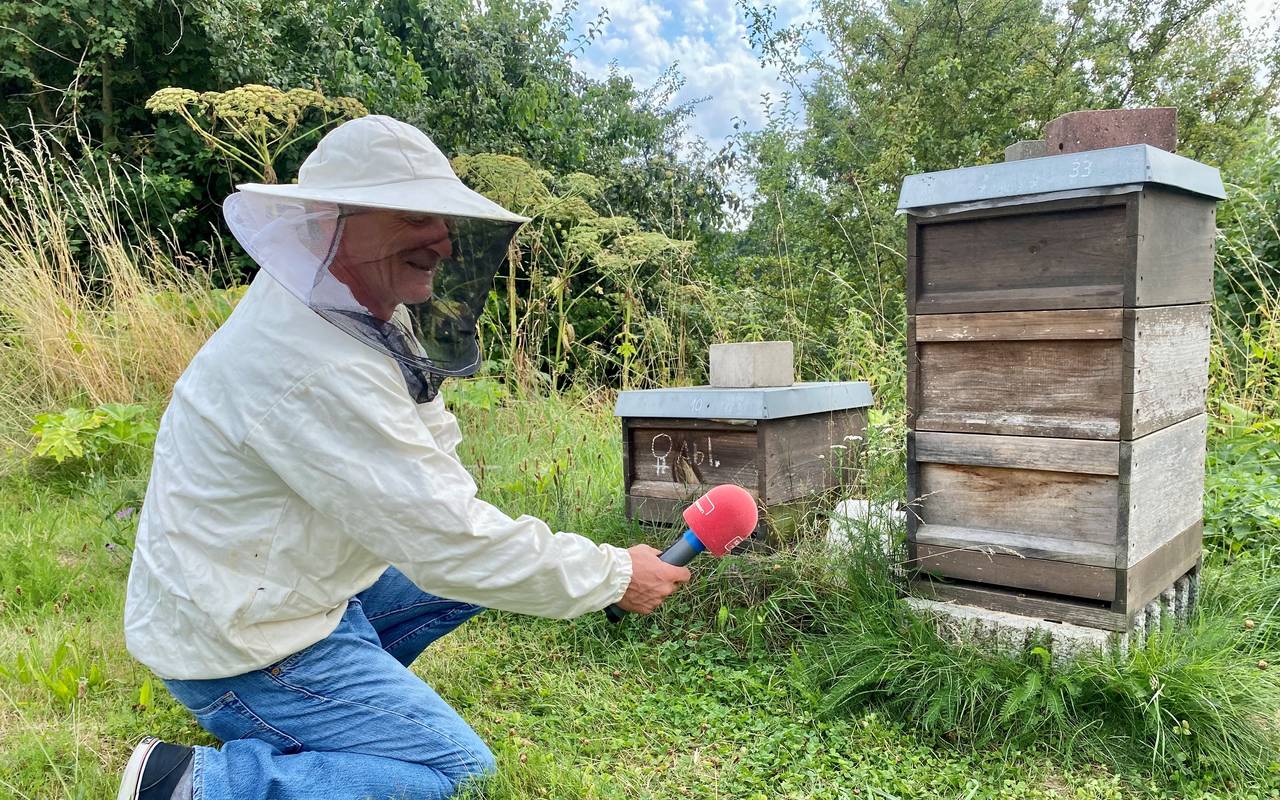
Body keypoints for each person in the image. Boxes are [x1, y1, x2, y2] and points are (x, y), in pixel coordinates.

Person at [117, 115, 692, 800]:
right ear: (336, 221)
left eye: (445, 219)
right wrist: (611, 576)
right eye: (416, 215)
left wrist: (585, 567)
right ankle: (195, 784)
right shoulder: (312, 363)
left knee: (475, 568)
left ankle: (336, 709)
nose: (444, 242)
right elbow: (446, 539)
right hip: (242, 645)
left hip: (275, 592)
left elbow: (438, 485)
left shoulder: (357, 305)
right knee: (455, 773)